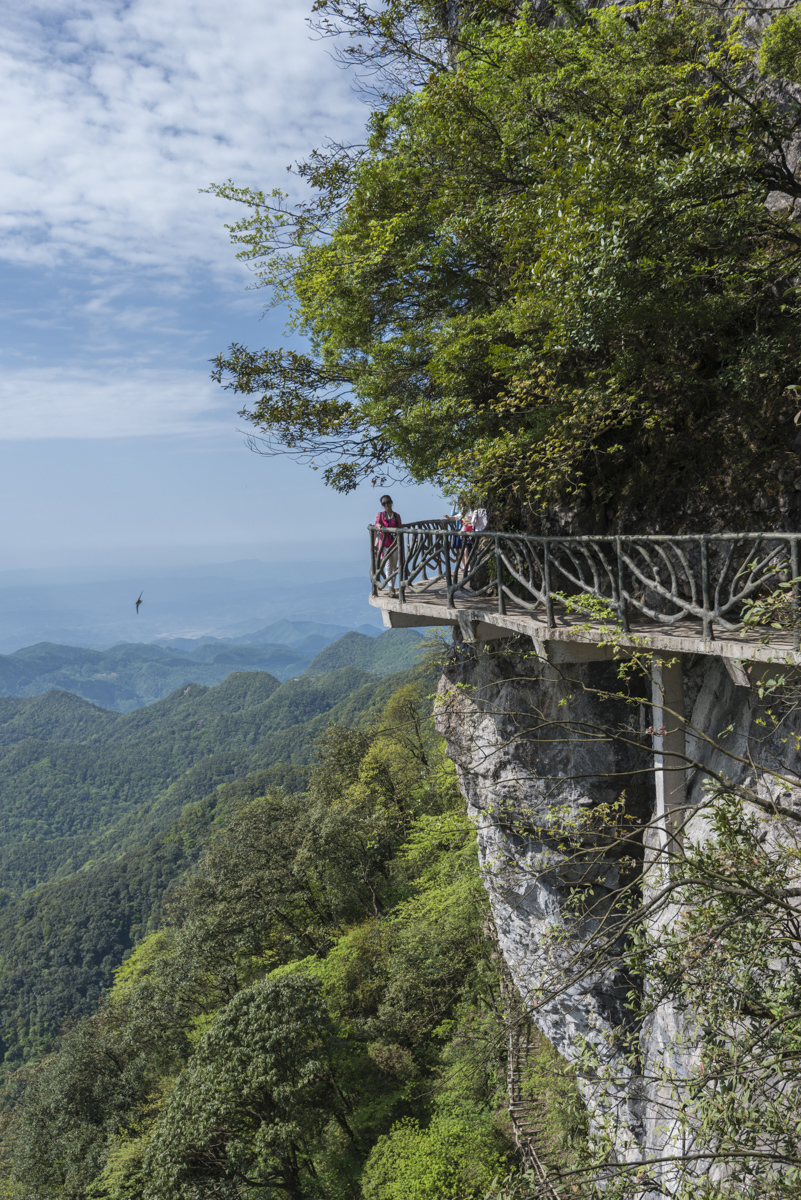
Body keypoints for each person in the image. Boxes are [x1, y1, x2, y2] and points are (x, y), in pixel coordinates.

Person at [374, 495, 402, 596]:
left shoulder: (397, 516)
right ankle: (391, 588)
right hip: (385, 544)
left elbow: (400, 529)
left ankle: (393, 586)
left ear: (391, 502)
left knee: (394, 565)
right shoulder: (380, 515)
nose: (386, 505)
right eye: (384, 503)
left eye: (388, 502)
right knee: (388, 565)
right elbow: (376, 523)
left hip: (395, 543)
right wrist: (378, 526)